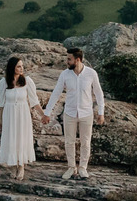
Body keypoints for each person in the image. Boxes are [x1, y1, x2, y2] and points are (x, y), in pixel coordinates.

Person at [41, 47, 105, 180]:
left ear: (78, 60)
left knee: (85, 142)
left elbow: (99, 93)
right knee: (69, 142)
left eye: (69, 59)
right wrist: (47, 112)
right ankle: (71, 168)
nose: (67, 62)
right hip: (69, 113)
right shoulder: (64, 74)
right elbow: (56, 93)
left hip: (86, 113)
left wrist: (101, 112)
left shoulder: (91, 73)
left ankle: (83, 168)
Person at [0, 56, 42, 180]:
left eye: (22, 66)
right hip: (9, 114)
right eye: (19, 66)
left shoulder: (27, 81)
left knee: (22, 138)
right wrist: (1, 119)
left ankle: (21, 165)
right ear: (12, 68)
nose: (22, 69)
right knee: (10, 138)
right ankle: (12, 164)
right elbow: (2, 103)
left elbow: (34, 101)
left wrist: (43, 114)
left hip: (23, 114)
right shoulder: (3, 82)